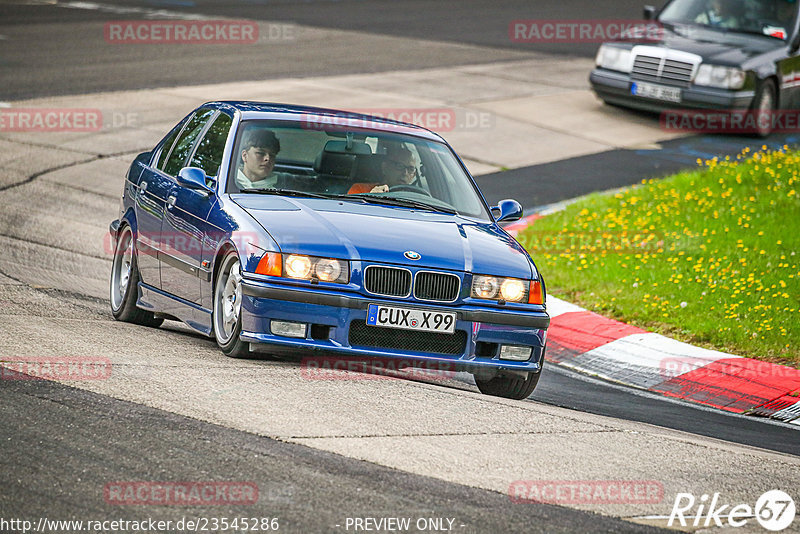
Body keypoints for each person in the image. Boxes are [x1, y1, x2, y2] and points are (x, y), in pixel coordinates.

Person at [347, 145, 419, 194]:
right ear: (385, 167)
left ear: (414, 175)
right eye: (399, 166)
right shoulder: (360, 190)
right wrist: (371, 198)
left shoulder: (418, 199)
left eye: (410, 169)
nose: (405, 173)